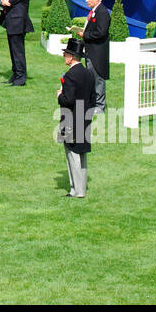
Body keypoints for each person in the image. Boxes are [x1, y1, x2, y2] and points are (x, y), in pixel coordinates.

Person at [57, 37, 96, 198]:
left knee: (72, 154)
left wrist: (60, 95)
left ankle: (77, 190)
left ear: (71, 56)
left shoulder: (71, 75)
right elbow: (93, 98)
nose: (65, 56)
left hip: (71, 117)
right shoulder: (88, 73)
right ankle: (79, 188)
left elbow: (68, 100)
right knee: (82, 154)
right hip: (85, 116)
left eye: (66, 54)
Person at [0, 0, 31, 86]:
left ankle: (21, 77)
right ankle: (16, 73)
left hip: (18, 22)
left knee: (18, 50)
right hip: (12, 21)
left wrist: (6, 0)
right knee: (13, 50)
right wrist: (3, 0)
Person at [81, 0, 111, 111]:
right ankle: (94, 103)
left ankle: (100, 105)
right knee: (91, 78)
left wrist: (85, 35)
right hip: (91, 50)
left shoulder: (102, 12)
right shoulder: (95, 11)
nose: (86, 0)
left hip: (98, 52)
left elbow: (101, 32)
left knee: (98, 78)